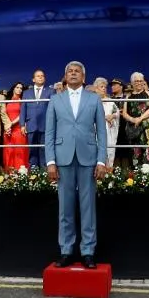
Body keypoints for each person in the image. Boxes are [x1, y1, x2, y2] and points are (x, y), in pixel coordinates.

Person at [46, 61, 107, 269]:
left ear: (83, 77)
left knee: (88, 206)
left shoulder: (94, 99)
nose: (73, 74)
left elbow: (102, 132)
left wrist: (101, 160)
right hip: (62, 158)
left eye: (77, 72)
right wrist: (50, 161)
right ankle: (66, 250)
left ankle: (88, 251)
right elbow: (50, 134)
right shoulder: (55, 100)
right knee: (65, 208)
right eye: (69, 71)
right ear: (65, 76)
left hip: (89, 158)